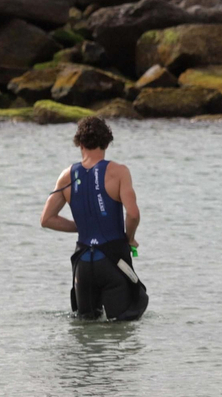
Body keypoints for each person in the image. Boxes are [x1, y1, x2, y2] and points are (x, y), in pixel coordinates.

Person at [40, 116, 148, 321]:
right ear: (107, 143)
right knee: (123, 325)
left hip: (82, 265)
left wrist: (81, 226)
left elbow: (46, 219)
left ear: (80, 144)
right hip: (112, 261)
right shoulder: (119, 172)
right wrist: (129, 237)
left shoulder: (66, 176)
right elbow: (133, 214)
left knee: (86, 328)